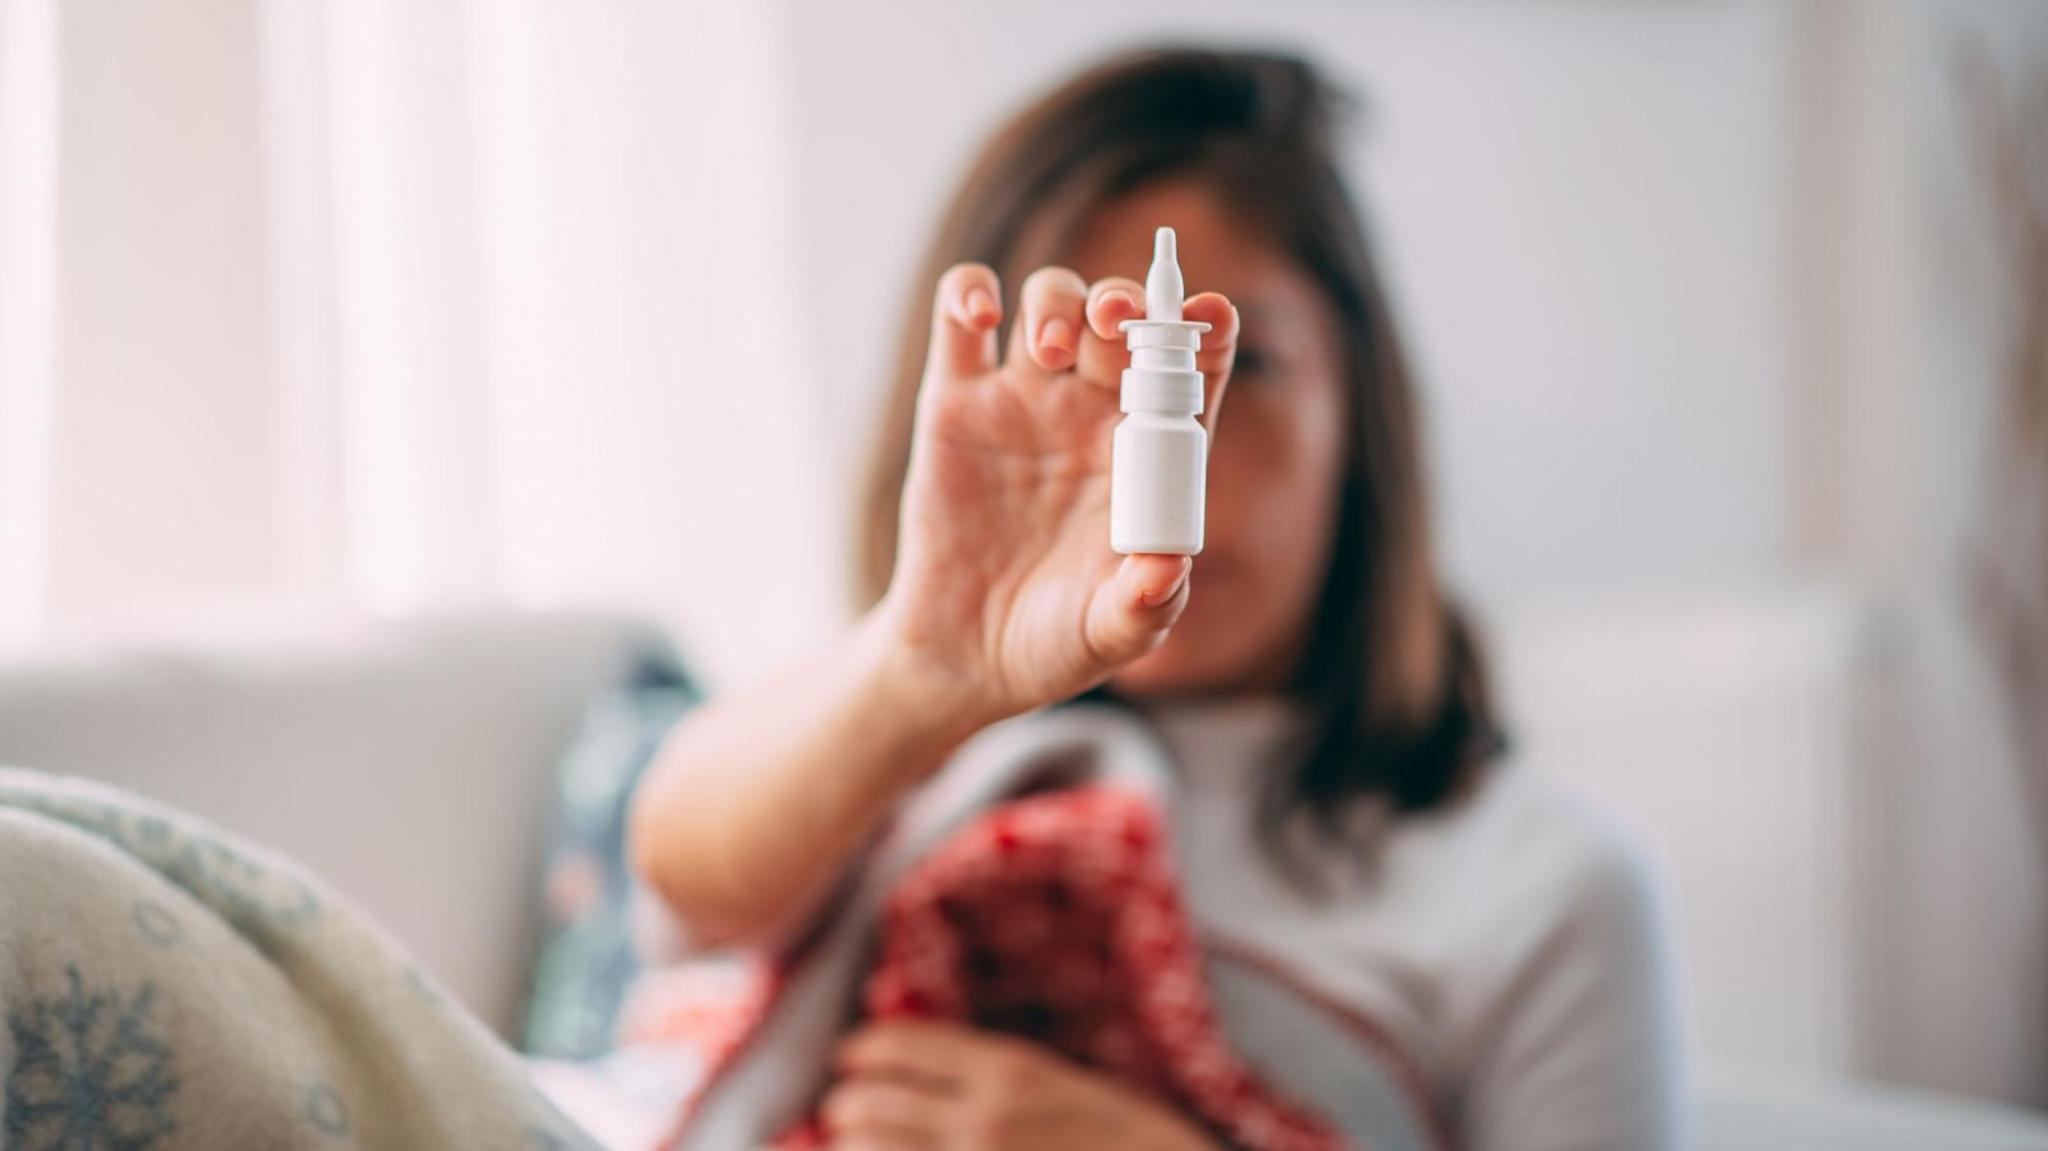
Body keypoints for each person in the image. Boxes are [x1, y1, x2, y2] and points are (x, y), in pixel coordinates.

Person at [631, 46, 1679, 1151]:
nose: (1146, 474)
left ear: (1358, 417)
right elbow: (678, 873)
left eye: (1251, 369)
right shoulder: (885, 756)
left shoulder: (1542, 889)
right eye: (1081, 379)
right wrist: (915, 670)